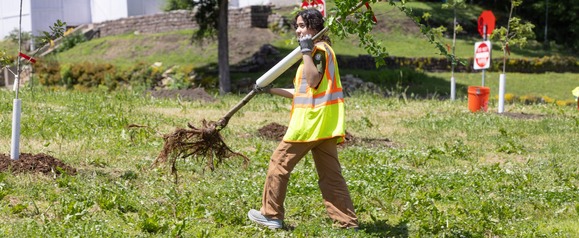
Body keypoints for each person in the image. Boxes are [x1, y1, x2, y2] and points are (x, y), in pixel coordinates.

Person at [248, 9, 358, 230]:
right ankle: (347, 222)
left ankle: (271, 215)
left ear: (315, 26)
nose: (298, 30)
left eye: (302, 25)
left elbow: (314, 80)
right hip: (324, 125)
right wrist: (270, 89)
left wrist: (306, 52)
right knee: (331, 175)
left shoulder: (318, 52)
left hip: (309, 124)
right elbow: (303, 91)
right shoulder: (318, 51)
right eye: (296, 26)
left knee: (278, 164)